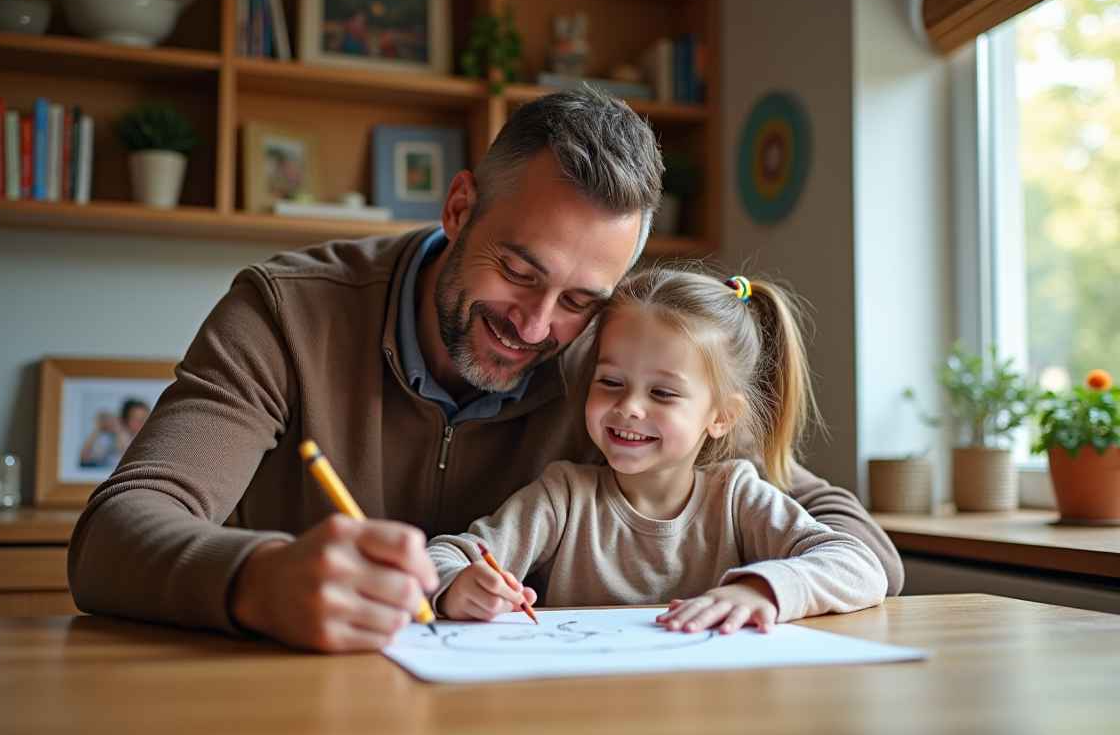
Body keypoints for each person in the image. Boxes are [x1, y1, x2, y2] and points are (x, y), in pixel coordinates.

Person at [67, 86, 903, 653]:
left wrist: (768, 587)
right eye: (520, 271)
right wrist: (256, 579)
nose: (538, 327)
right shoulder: (287, 313)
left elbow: (853, 539)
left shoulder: (610, 360)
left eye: (581, 298)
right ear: (460, 207)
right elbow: (116, 534)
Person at [430, 267, 887, 633]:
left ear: (721, 416)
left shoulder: (738, 498)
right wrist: (457, 585)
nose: (628, 407)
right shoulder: (562, 498)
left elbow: (861, 565)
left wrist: (762, 591)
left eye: (663, 393)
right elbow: (443, 556)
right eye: (610, 383)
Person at [78, 399, 150, 469]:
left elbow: (132, 460)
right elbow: (84, 459)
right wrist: (98, 428)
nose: (141, 424)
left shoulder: (147, 440)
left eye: (144, 419)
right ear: (124, 419)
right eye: (136, 419)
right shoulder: (111, 436)